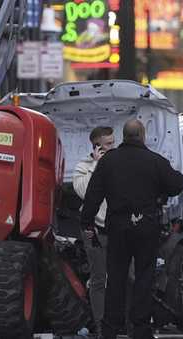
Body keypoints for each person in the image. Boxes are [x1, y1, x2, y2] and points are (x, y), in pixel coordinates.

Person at [80, 119, 183, 339]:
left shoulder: (108, 162)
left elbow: (93, 195)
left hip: (117, 228)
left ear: (124, 136)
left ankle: (110, 328)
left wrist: (87, 223)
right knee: (144, 277)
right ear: (143, 135)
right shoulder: (155, 161)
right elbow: (177, 184)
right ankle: (140, 328)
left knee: (115, 278)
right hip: (146, 227)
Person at [72, 126, 115, 336]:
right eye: (107, 144)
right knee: (99, 278)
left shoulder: (118, 163)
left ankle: (121, 322)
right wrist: (97, 165)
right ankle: (100, 326)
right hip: (93, 230)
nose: (112, 147)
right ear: (96, 146)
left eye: (113, 142)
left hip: (117, 229)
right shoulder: (84, 166)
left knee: (128, 276)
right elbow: (83, 192)